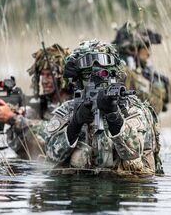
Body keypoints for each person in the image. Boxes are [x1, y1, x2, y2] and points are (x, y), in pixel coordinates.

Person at [44, 40, 164, 175]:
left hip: (126, 191)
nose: (96, 82)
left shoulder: (132, 109)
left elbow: (135, 154)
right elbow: (50, 157)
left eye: (104, 75)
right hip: (80, 191)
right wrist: (76, 123)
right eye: (88, 76)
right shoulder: (69, 110)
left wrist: (114, 116)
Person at [0, 44, 71, 160]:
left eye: (49, 75)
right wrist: (18, 115)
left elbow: (53, 134)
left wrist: (13, 118)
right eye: (41, 75)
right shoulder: (41, 103)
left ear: (62, 77)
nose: (44, 81)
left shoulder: (72, 103)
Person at [112, 21, 171, 114]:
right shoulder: (125, 72)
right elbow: (151, 108)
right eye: (145, 48)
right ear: (133, 50)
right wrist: (159, 88)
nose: (148, 53)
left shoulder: (139, 69)